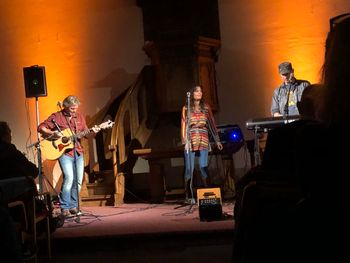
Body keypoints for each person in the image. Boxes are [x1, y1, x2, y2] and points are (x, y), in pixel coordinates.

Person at [38, 95, 100, 217]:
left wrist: (95, 130)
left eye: (76, 108)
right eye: (72, 108)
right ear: (65, 107)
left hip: (78, 151)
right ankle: (64, 207)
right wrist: (52, 133)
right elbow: (40, 127)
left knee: (77, 181)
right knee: (69, 178)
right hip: (64, 152)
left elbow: (86, 134)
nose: (74, 111)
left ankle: (73, 206)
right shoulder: (57, 117)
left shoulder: (80, 117)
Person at [180, 85, 223, 204]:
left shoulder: (206, 107)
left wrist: (217, 140)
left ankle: (208, 195)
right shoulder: (186, 108)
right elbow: (183, 124)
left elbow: (212, 124)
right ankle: (188, 195)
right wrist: (185, 141)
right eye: (197, 91)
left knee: (203, 166)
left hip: (203, 137)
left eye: (201, 91)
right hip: (191, 138)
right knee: (190, 168)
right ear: (192, 93)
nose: (199, 93)